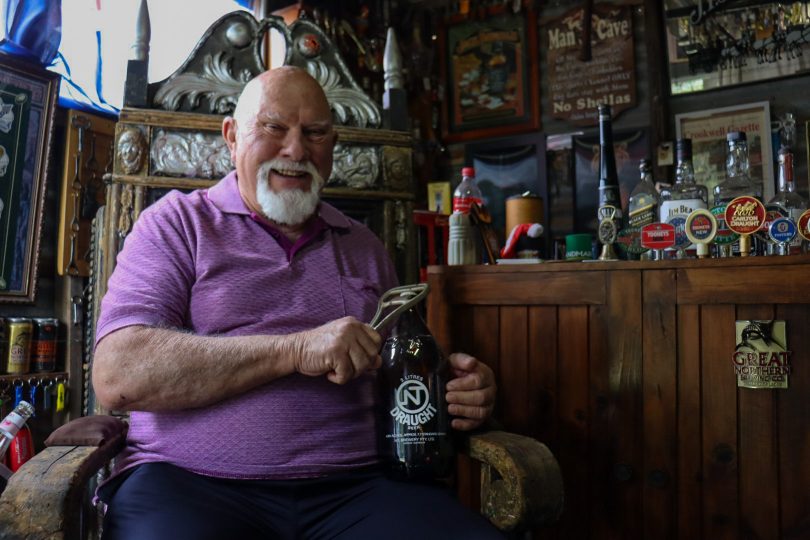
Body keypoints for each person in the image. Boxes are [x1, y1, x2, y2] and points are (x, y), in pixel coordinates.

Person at [92, 66, 500, 540]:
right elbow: (118, 376)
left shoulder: (363, 245)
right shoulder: (176, 225)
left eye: (315, 133)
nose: (296, 150)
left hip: (359, 489)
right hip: (188, 483)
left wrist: (459, 391)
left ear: (332, 145)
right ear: (231, 136)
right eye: (274, 128)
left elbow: (405, 375)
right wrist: (296, 350)